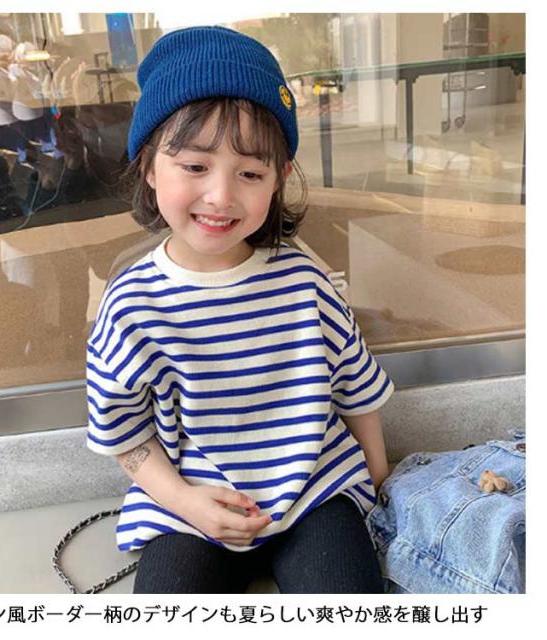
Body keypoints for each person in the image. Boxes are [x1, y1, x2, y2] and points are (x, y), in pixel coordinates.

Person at [86, 26, 394, 594]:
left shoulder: (306, 282)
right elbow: (123, 431)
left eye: (250, 173)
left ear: (278, 179)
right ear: (149, 167)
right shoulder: (130, 304)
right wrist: (184, 502)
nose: (222, 195)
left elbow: (356, 386)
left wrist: (377, 479)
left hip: (317, 493)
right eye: (194, 166)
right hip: (189, 505)